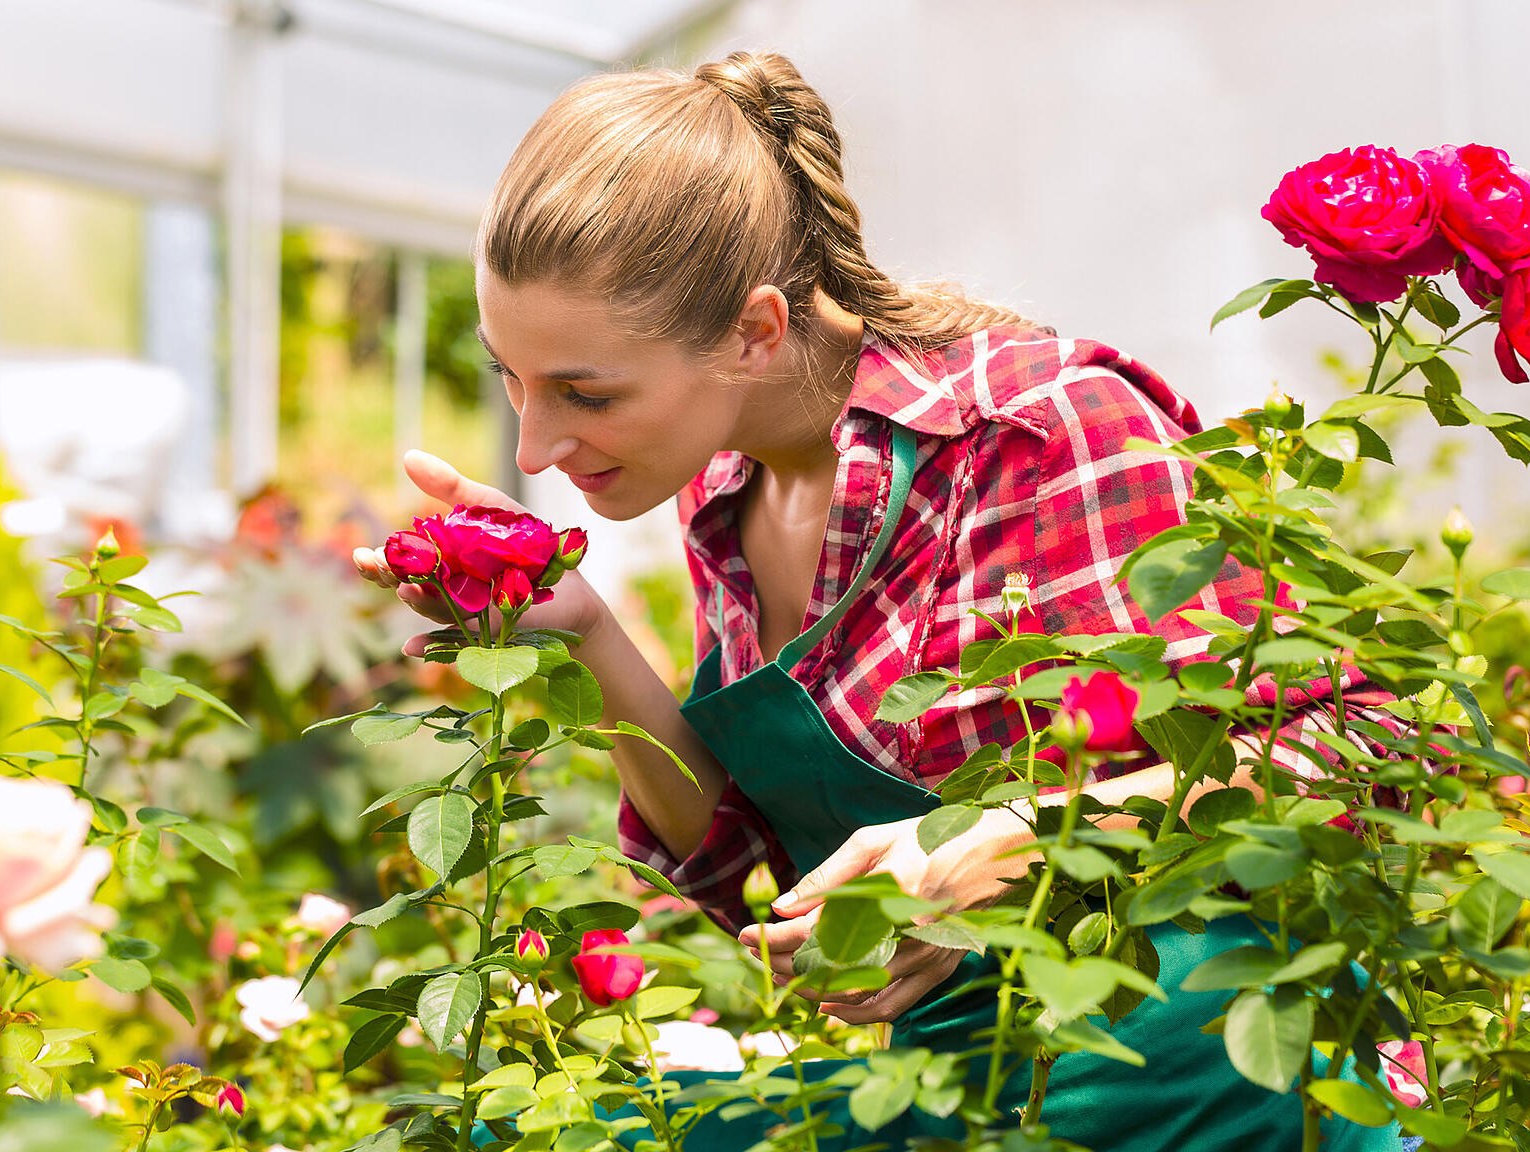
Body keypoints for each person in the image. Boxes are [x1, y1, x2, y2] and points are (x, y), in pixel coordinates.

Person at [356, 50, 1406, 1151]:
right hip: (968, 1074)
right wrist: (579, 627)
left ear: (755, 331)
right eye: (511, 380)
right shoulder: (723, 486)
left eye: (586, 392)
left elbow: (1361, 745)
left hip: (1198, 1063)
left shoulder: (1042, 433)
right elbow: (744, 864)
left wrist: (999, 840)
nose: (536, 445)